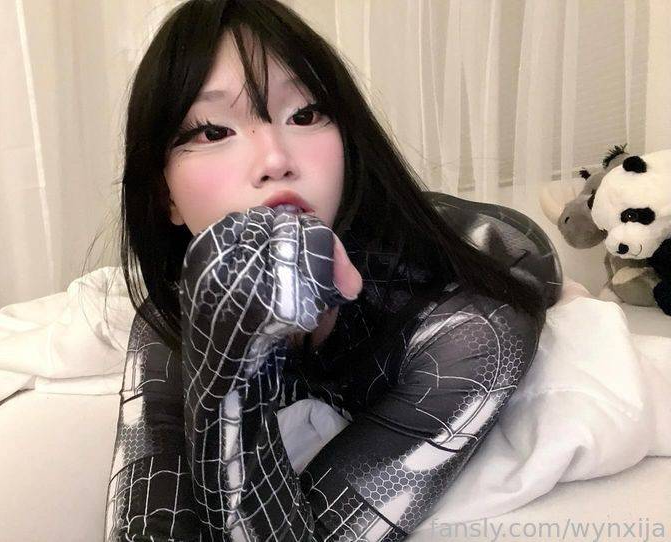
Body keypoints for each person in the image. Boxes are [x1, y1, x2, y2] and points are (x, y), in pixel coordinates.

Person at [104, 0, 562, 540]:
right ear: (165, 195)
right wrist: (225, 342)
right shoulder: (172, 310)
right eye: (211, 131)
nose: (275, 159)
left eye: (304, 115)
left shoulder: (473, 332)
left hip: (489, 244)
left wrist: (232, 381)